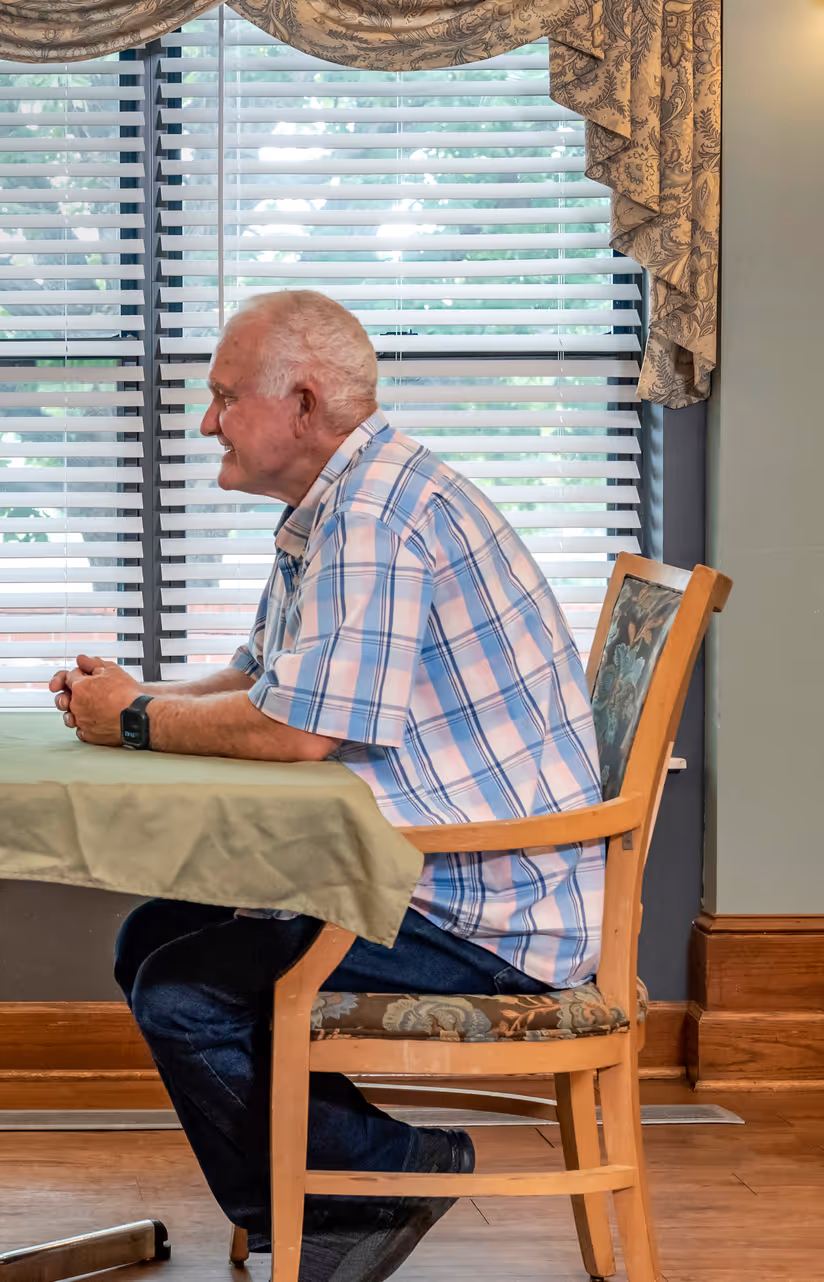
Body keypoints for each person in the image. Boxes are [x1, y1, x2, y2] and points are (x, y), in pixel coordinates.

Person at [49, 292, 603, 1282]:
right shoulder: (344, 503)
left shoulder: (377, 519)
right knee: (151, 939)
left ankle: (377, 1182)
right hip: (443, 877)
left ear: (302, 406)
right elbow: (268, 681)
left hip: (489, 912)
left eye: (223, 397)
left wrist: (134, 720)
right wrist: (136, 698)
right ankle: (330, 1199)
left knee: (185, 994)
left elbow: (295, 733)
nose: (205, 421)